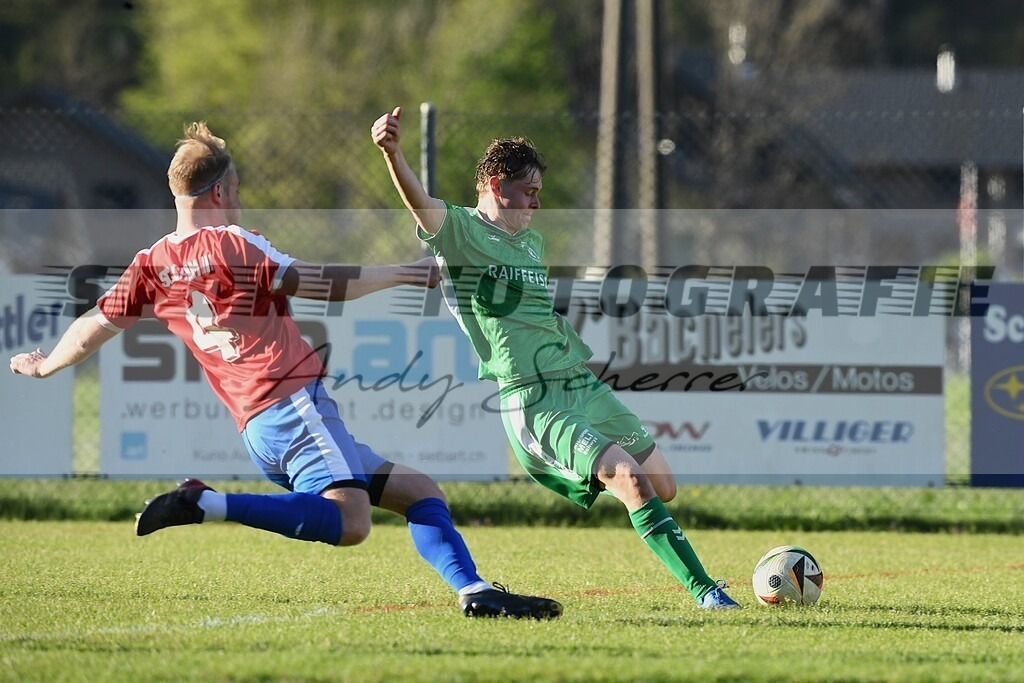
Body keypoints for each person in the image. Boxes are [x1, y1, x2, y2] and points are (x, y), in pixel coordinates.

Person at [9, 121, 561, 620]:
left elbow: (94, 324)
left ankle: (474, 590)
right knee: (351, 522)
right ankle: (205, 504)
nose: (239, 200)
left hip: (258, 427)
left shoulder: (150, 263)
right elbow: (318, 282)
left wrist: (46, 364)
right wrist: (405, 273)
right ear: (220, 192)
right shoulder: (232, 242)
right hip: (293, 403)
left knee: (418, 491)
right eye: (237, 189)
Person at [371, 107, 740, 609]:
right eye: (529, 192)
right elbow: (420, 203)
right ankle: (707, 592)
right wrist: (393, 153)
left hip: (580, 384)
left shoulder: (529, 241)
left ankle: (609, 475)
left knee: (663, 485)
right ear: (496, 186)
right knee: (632, 480)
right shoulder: (458, 231)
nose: (537, 203)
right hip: (535, 398)